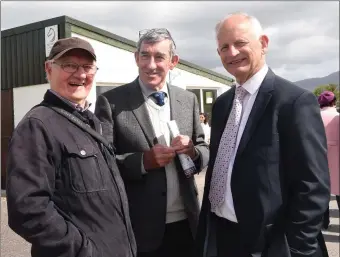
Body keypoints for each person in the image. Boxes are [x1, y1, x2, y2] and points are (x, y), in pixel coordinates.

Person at [195, 12, 330, 257]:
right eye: (224, 47)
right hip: (222, 236)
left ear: (264, 43)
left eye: (240, 43)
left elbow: (313, 186)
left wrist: (295, 248)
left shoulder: (294, 102)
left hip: (270, 243)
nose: (232, 53)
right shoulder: (223, 104)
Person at [6, 37, 136, 257]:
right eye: (69, 65)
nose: (81, 74)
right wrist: (85, 251)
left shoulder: (91, 121)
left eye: (87, 67)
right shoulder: (37, 126)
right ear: (49, 69)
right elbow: (27, 210)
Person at [95, 28, 209, 257]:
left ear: (173, 61)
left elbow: (204, 148)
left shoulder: (188, 99)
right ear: (136, 58)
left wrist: (193, 152)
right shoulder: (111, 102)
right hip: (141, 227)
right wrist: (143, 161)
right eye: (145, 56)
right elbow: (101, 163)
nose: (151, 64)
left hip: (187, 225)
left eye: (159, 57)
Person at [318, 91, 340, 222]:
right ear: (334, 102)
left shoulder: (316, 116)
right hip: (336, 157)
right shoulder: (337, 116)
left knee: (322, 190)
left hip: (320, 157)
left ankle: (324, 221)